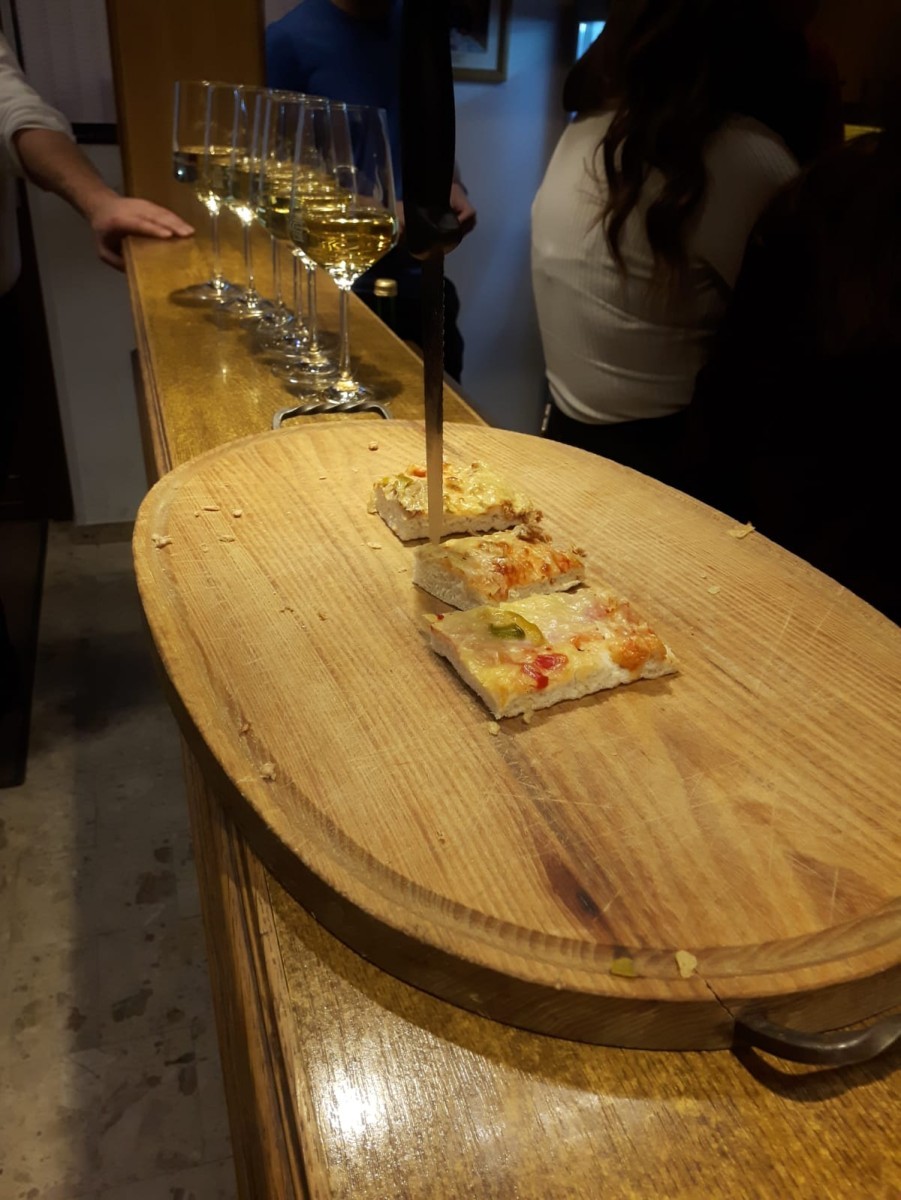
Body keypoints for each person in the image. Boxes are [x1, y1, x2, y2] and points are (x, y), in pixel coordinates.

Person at [531, 0, 838, 484]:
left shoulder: (586, 128)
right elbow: (822, 352)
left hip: (565, 442)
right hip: (669, 471)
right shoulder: (743, 157)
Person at [687, 108, 901, 624]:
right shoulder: (822, 188)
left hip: (771, 509)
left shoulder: (821, 187)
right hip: (819, 525)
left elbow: (730, 383)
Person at [265, 0, 477, 380]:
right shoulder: (287, 42)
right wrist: (378, 212)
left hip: (422, 287)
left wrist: (449, 184)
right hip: (337, 297)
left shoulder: (418, 27)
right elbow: (275, 177)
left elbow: (427, 134)